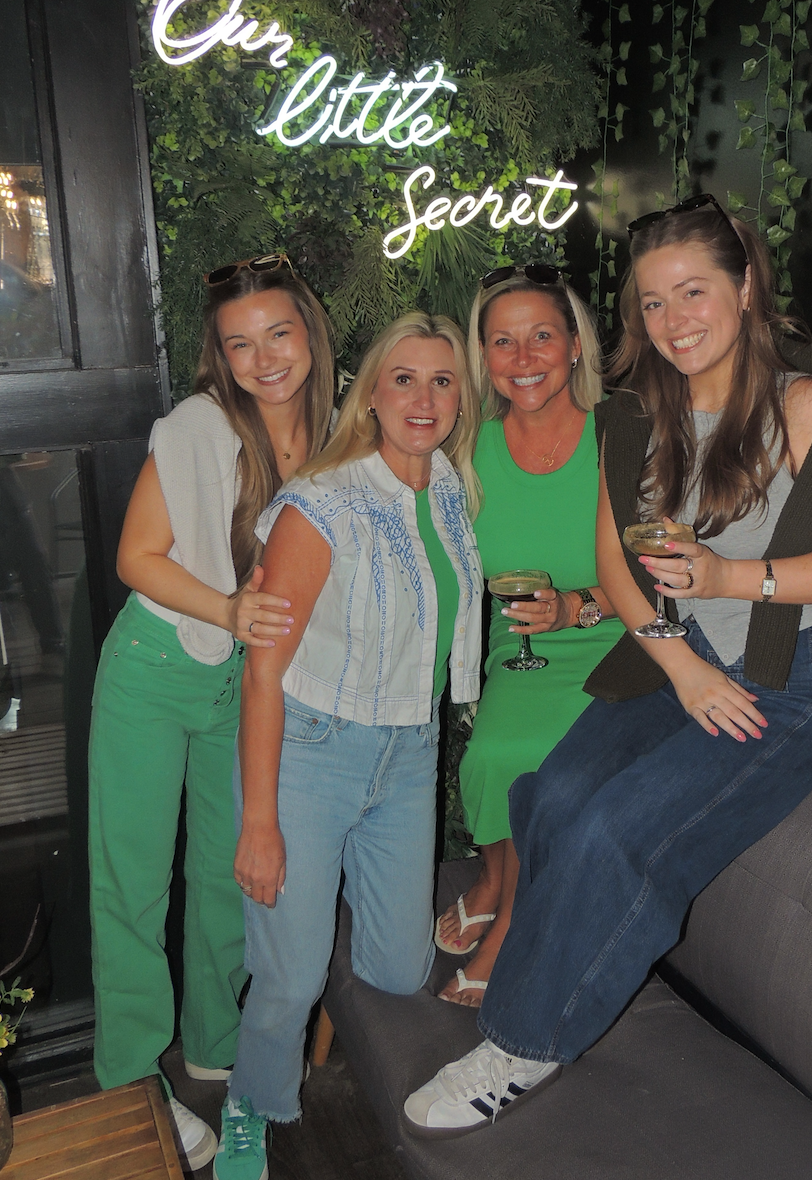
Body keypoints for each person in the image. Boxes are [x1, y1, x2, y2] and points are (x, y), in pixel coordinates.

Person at [404, 194, 812, 1134]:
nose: (674, 320)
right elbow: (619, 567)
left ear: (743, 288)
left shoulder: (805, 403)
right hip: (681, 660)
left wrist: (727, 575)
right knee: (548, 796)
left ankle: (522, 1045)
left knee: (610, 831)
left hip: (788, 681)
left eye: (693, 291)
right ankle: (554, 961)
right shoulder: (637, 413)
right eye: (653, 302)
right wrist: (683, 666)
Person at [212, 312, 483, 1180]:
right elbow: (262, 673)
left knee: (399, 970)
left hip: (408, 752)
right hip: (311, 753)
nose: (423, 398)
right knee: (288, 978)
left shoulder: (450, 487)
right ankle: (250, 1102)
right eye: (404, 378)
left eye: (442, 380)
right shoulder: (322, 504)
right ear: (371, 394)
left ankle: (307, 957)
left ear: (461, 398)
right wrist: (260, 823)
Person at [88, 255, 335, 1171]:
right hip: (156, 668)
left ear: (309, 331)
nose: (263, 358)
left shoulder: (334, 432)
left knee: (229, 875)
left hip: (244, 681)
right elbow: (136, 557)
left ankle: (214, 1043)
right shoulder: (200, 425)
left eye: (277, 333)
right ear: (219, 357)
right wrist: (229, 610)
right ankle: (129, 1077)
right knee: (133, 884)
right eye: (239, 344)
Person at [434, 264, 623, 1006]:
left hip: (617, 645)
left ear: (575, 345)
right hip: (520, 652)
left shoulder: (620, 436)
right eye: (503, 342)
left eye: (542, 336)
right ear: (483, 356)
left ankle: (511, 919)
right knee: (490, 756)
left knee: (542, 762)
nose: (523, 358)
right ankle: (491, 875)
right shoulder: (467, 451)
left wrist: (577, 607)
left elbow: (662, 575)